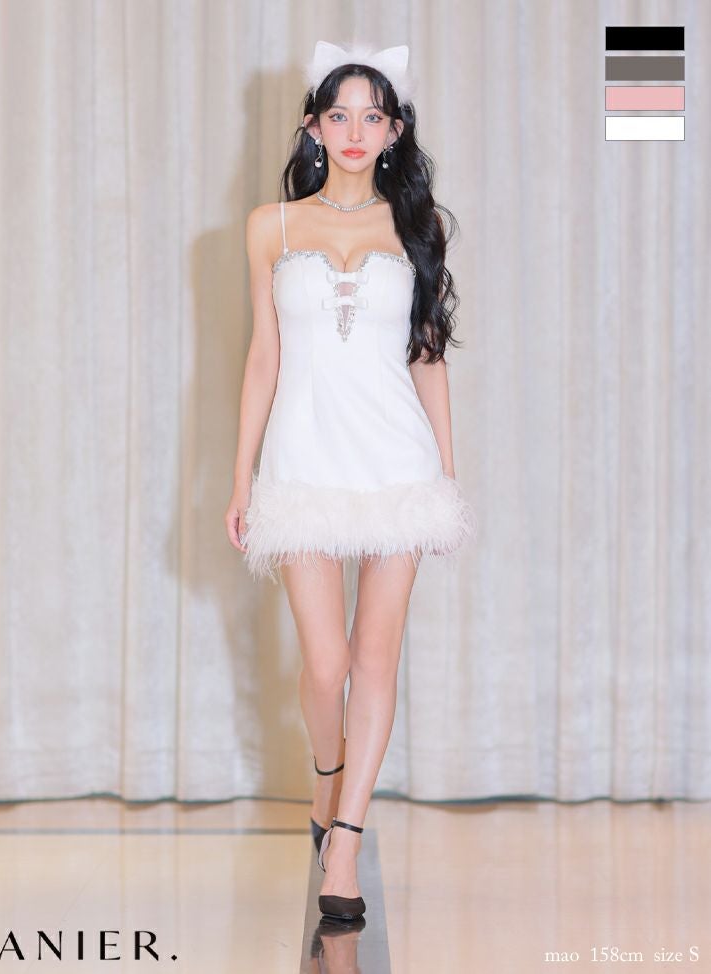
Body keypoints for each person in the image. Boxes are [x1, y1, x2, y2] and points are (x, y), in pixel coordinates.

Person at [225, 40, 478, 922]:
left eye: (374, 115)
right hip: (302, 464)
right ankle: (326, 780)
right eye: (340, 114)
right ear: (313, 126)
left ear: (395, 130)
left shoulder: (416, 228)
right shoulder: (271, 226)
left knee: (375, 657)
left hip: (397, 465)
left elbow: (428, 358)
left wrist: (445, 479)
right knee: (326, 662)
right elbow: (263, 357)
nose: (356, 130)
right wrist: (241, 480)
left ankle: (346, 845)